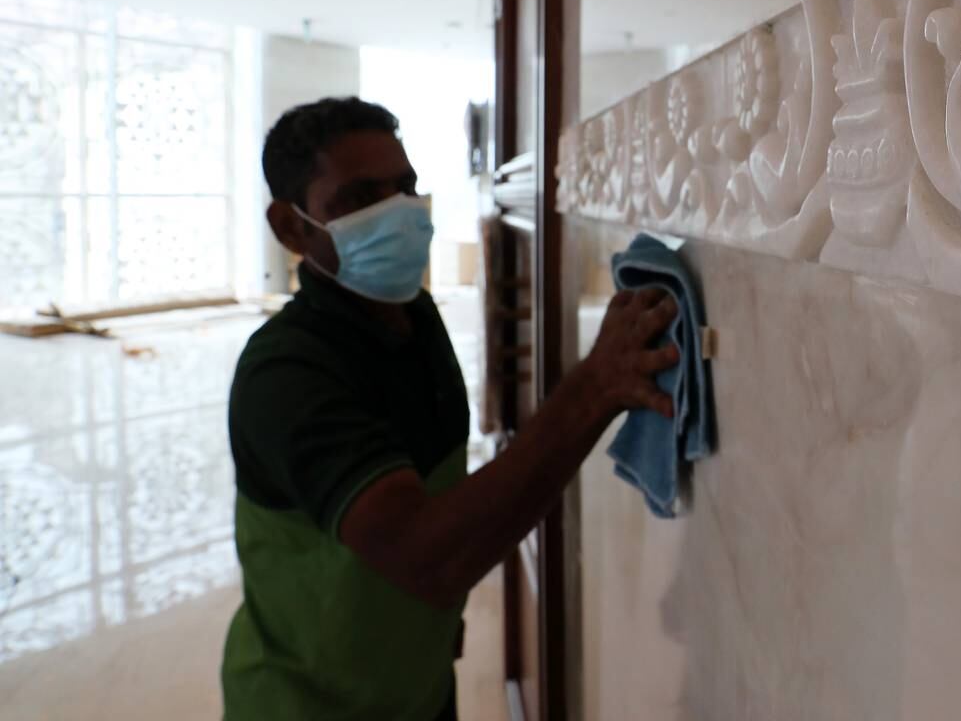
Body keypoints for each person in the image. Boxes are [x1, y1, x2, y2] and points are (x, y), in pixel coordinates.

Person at [221, 97, 676, 720]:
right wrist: (593, 388)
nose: (401, 213)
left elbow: (433, 509)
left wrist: (424, 630)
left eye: (405, 188)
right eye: (360, 198)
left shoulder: (415, 318)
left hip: (418, 690)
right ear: (291, 227)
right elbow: (430, 555)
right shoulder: (286, 374)